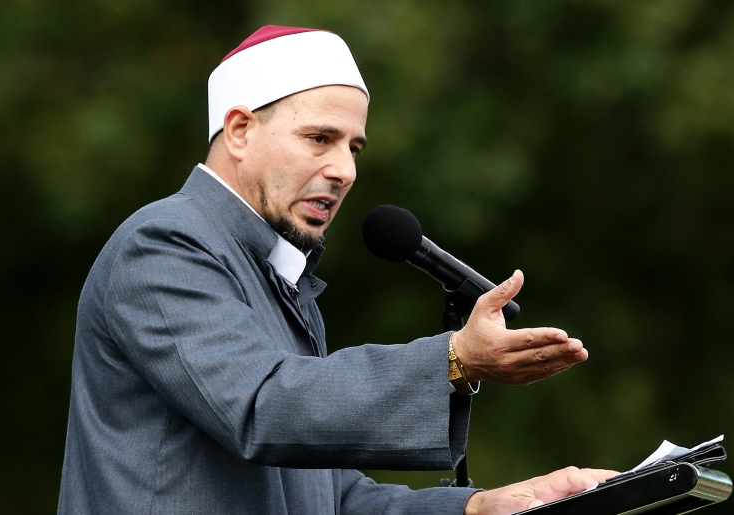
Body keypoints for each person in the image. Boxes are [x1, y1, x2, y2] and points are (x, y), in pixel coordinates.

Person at [57, 25, 616, 515]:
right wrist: (452, 359)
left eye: (354, 147)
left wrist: (478, 506)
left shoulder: (278, 273)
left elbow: (330, 500)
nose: (344, 170)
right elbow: (262, 405)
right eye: (320, 138)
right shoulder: (164, 245)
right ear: (240, 131)